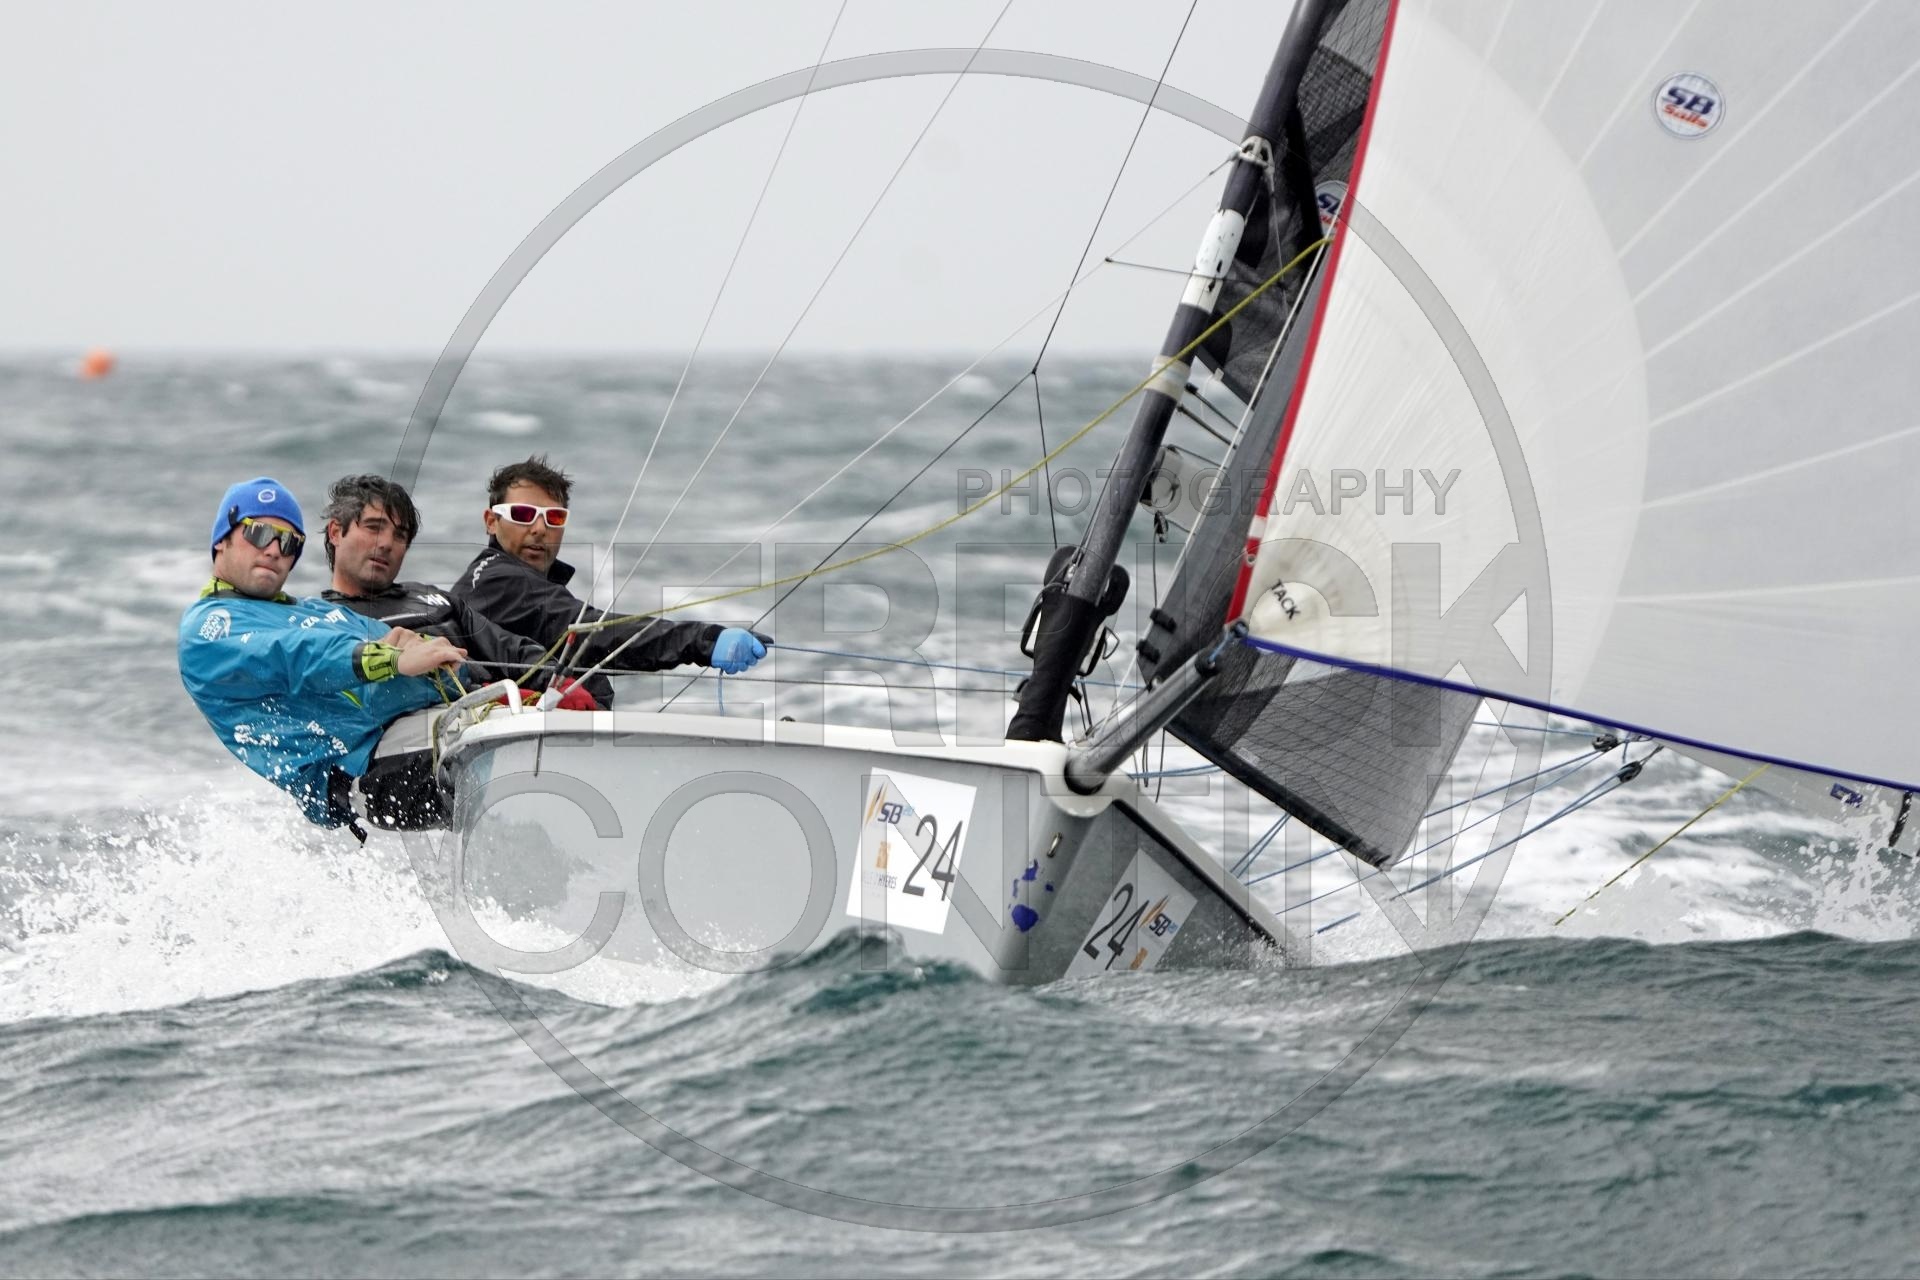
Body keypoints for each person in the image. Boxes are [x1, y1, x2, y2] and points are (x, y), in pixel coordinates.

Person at [178, 477, 471, 834]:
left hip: (418, 729)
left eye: (289, 542)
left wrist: (438, 660)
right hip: (360, 769)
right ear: (222, 540)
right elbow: (296, 657)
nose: (274, 550)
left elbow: (423, 656)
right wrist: (391, 660)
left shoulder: (317, 612)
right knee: (493, 752)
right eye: (259, 533)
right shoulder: (209, 628)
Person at [451, 455, 767, 707]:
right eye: (522, 514)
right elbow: (595, 634)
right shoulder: (498, 582)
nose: (539, 528)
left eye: (554, 518)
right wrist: (703, 641)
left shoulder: (514, 581)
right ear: (491, 522)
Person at [317, 473, 595, 708]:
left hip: (500, 717)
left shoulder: (434, 599)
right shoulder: (319, 624)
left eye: (400, 535)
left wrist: (560, 683)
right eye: (374, 528)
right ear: (335, 532)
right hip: (422, 730)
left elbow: (512, 650)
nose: (387, 543)